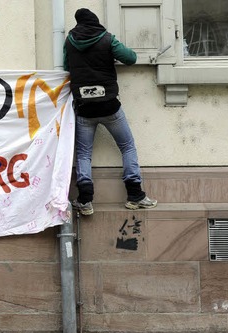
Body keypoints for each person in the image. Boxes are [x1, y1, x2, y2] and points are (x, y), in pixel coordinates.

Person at [64, 8, 157, 216]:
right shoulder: (107, 39)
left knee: (84, 154)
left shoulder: (70, 41)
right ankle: (135, 196)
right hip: (109, 106)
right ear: (95, 21)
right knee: (127, 146)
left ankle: (85, 200)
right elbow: (130, 58)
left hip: (84, 109)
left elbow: (66, 67)